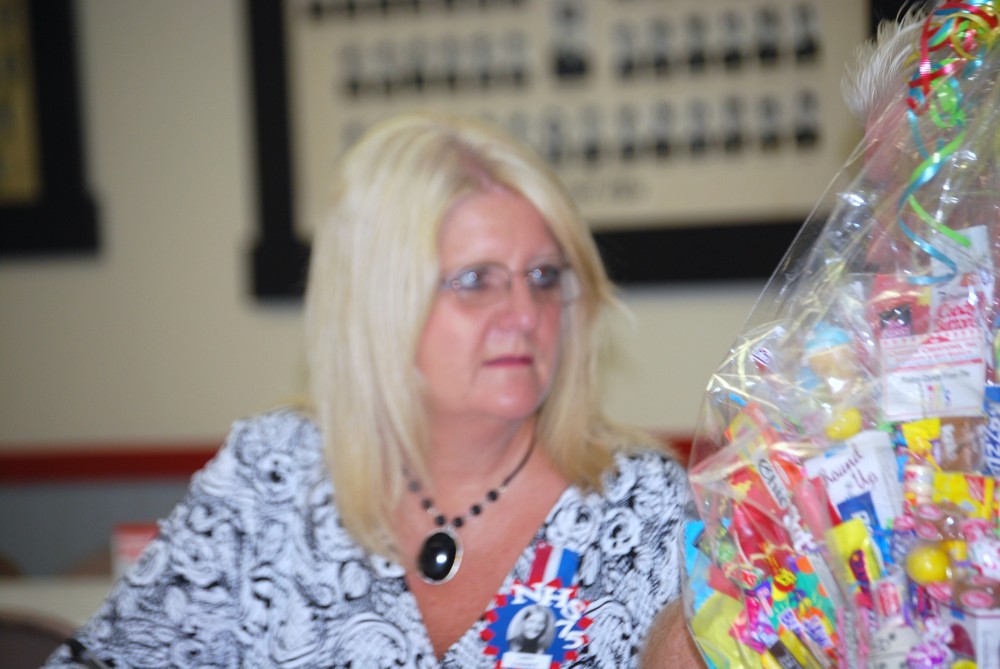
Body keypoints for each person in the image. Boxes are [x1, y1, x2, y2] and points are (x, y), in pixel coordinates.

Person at [43, 110, 699, 668]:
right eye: (477, 281)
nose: (526, 314)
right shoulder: (272, 475)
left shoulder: (643, 504)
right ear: (379, 303)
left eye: (545, 276)